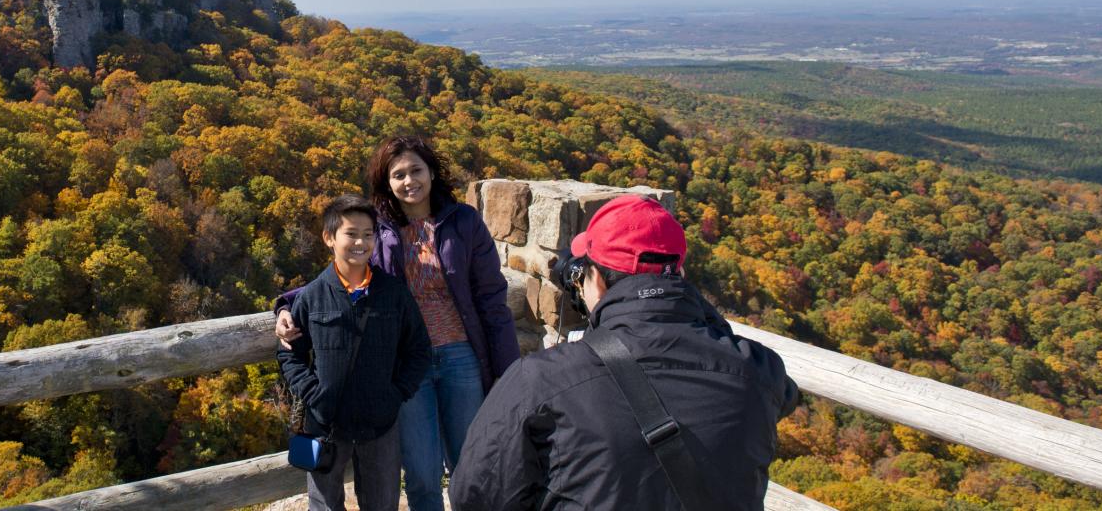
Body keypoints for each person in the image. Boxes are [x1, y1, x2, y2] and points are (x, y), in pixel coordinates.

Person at [449, 194, 800, 511]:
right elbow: (780, 394)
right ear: (680, 273)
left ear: (595, 280)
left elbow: (474, 494)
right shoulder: (759, 368)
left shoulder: (541, 379)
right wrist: (691, 308)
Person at [277, 136, 520, 511]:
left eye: (416, 170)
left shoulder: (464, 222)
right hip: (405, 363)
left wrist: (507, 368)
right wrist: (285, 303)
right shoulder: (381, 230)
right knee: (421, 473)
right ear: (386, 183)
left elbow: (491, 298)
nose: (410, 181)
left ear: (432, 172)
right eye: (398, 174)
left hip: (461, 356)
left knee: (470, 465)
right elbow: (346, 270)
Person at [278, 194, 432, 511]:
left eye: (367, 234)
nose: (360, 242)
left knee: (382, 503)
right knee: (323, 504)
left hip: (381, 423)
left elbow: (418, 350)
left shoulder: (393, 293)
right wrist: (313, 394)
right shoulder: (312, 297)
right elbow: (290, 356)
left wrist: (396, 393)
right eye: (351, 233)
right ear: (329, 238)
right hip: (325, 424)